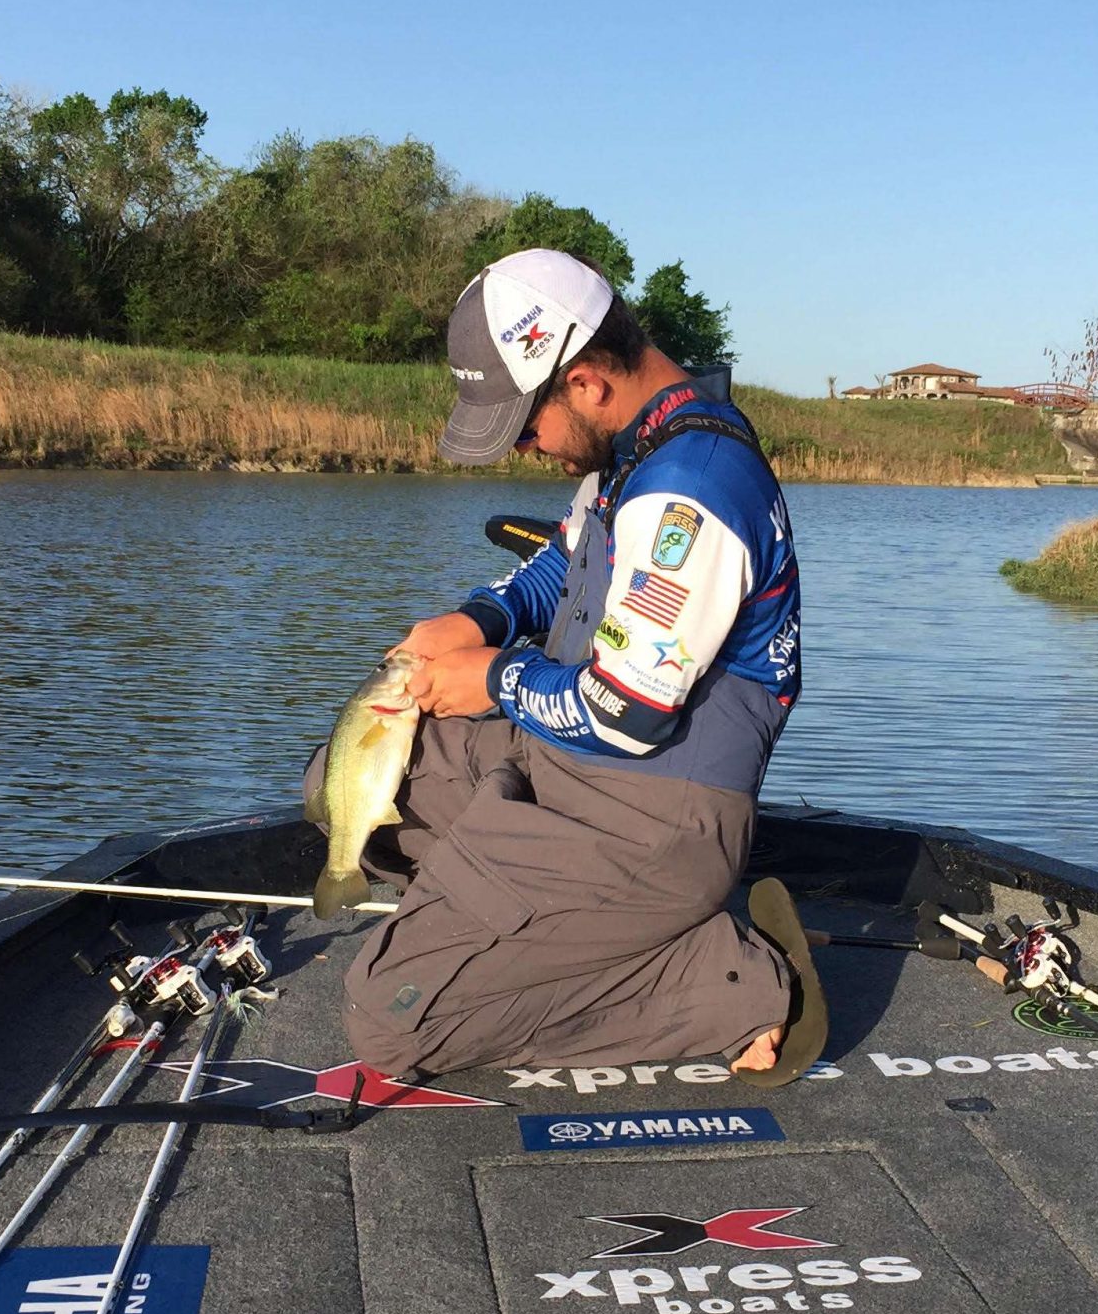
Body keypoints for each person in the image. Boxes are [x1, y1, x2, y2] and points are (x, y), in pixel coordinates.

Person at [307, 247, 825, 1087]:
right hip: (564, 765)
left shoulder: (688, 493)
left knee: (390, 1020)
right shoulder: (633, 449)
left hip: (652, 820)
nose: (522, 444)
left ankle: (728, 981)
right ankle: (535, 912)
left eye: (523, 423)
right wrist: (477, 618)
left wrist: (491, 676)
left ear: (583, 380)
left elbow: (628, 711)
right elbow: (563, 561)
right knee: (335, 776)